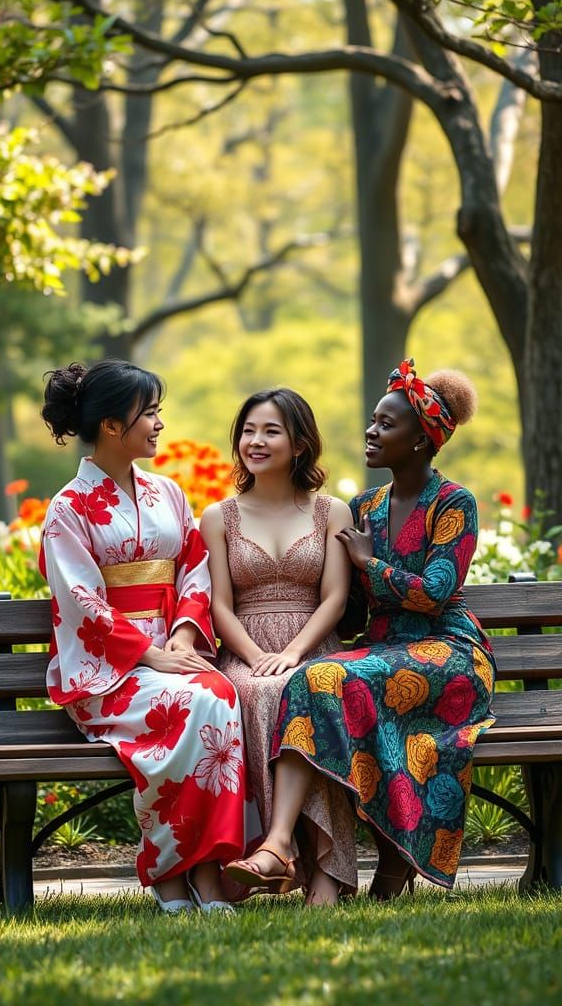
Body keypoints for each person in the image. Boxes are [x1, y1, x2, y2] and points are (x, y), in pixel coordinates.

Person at [225, 358, 496, 899]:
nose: (371, 432)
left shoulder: (454, 503)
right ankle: (279, 848)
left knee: (321, 678)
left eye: (386, 425)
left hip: (448, 653)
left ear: (421, 441)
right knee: (315, 679)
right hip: (382, 653)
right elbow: (348, 609)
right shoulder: (364, 507)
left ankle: (317, 858)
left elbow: (435, 591)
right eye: (373, 421)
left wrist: (368, 564)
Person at [40, 359, 247, 913]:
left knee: (217, 694)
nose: (159, 423)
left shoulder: (168, 494)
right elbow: (80, 603)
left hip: (166, 657)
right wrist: (151, 655)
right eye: (149, 413)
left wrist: (181, 636)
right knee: (197, 700)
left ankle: (196, 869)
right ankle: (181, 872)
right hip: (105, 675)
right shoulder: (67, 509)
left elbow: (194, 568)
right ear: (112, 425)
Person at [200, 388, 358, 905]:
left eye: (270, 431)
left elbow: (335, 597)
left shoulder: (331, 511)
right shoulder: (218, 517)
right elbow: (220, 606)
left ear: (299, 442)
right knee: (259, 691)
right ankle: (285, 856)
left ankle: (314, 868)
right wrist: (252, 655)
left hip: (313, 643)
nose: (256, 441)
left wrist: (294, 651)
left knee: (310, 687)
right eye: (248, 430)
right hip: (245, 646)